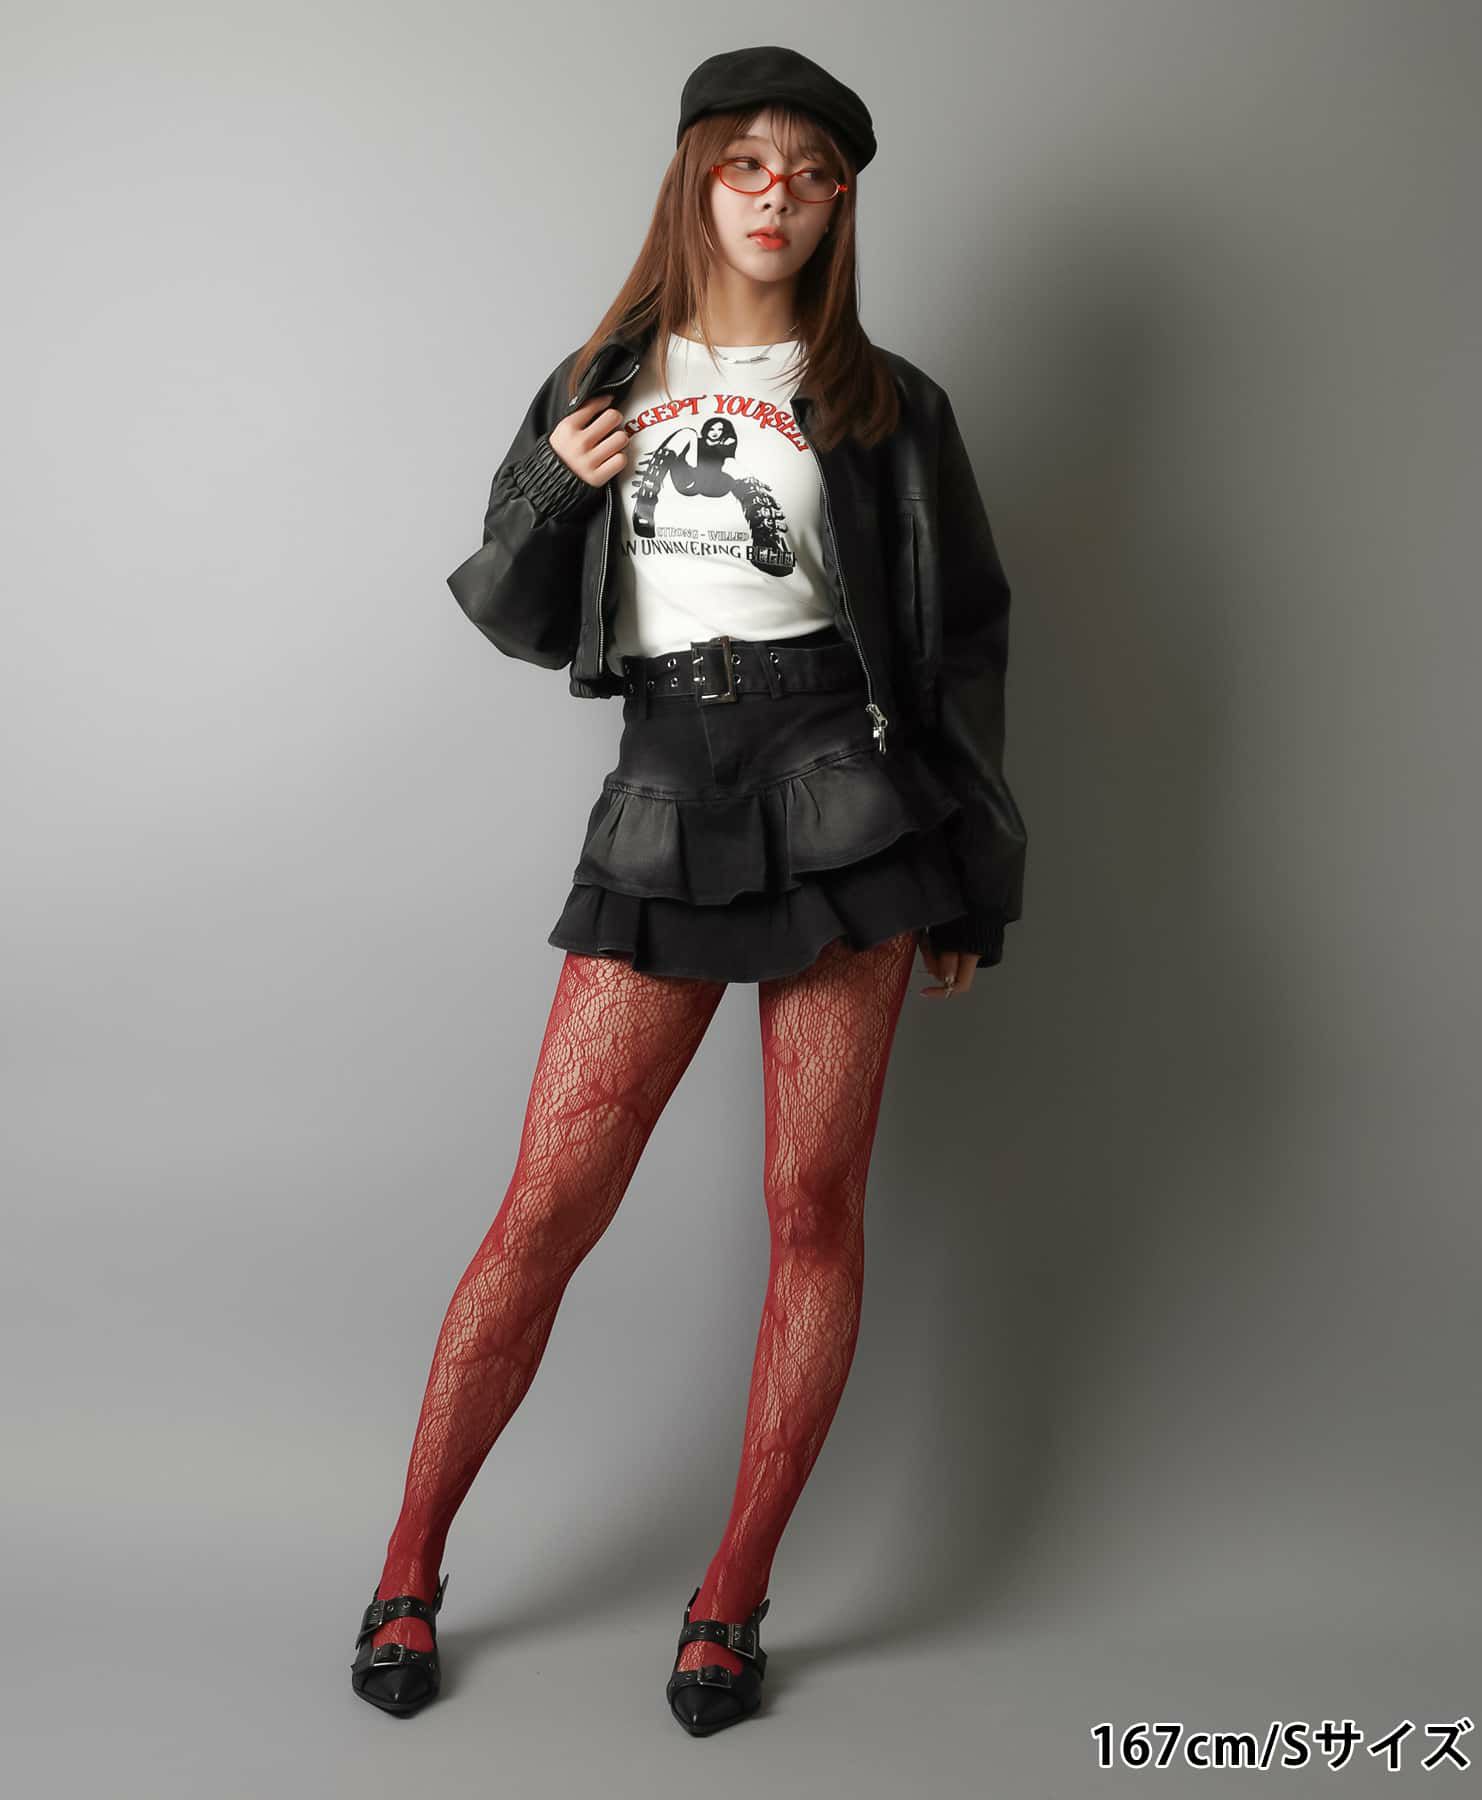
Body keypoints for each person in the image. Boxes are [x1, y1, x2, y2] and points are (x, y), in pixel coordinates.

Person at [349, 44, 1029, 1737]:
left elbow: (961, 647)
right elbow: (513, 612)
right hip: (663, 792)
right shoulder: (602, 380)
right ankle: (409, 1564)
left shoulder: (889, 405)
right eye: (748, 163)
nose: (778, 193)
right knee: (545, 1212)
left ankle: (733, 1594)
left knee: (813, 1207)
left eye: (813, 171)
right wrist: (554, 487)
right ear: (696, 180)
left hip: (850, 801)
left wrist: (973, 880)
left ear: (843, 202)